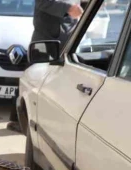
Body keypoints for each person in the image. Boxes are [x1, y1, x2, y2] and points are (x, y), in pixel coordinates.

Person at [7, 0, 83, 131]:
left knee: (61, 81)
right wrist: (68, 8)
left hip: (67, 39)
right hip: (45, 39)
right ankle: (18, 120)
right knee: (31, 79)